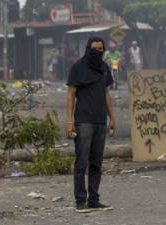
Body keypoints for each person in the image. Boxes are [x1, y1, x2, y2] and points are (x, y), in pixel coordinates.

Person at [66, 37, 115, 213]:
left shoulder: (104, 68)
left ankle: (94, 200)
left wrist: (112, 118)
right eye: (94, 49)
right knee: (81, 162)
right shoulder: (77, 67)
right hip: (83, 121)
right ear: (87, 49)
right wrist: (69, 121)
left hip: (100, 121)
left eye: (101, 49)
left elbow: (106, 94)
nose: (98, 52)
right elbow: (71, 94)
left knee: (96, 163)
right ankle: (80, 201)